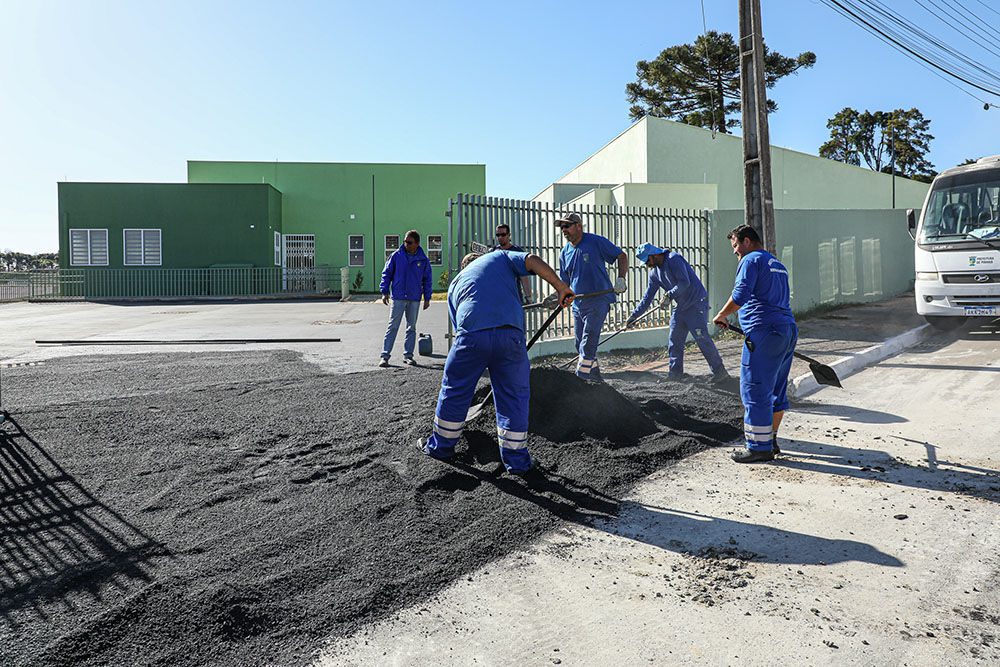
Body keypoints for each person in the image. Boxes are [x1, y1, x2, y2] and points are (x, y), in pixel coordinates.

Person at [418, 250, 574, 474]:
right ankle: (518, 462)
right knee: (513, 395)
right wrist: (560, 287)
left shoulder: (456, 283)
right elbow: (531, 260)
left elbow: (460, 325)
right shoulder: (500, 257)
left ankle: (441, 447)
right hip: (510, 335)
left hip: (471, 336)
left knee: (456, 389)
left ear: (465, 267)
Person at [712, 225, 798, 463]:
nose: (735, 252)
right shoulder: (777, 264)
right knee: (776, 390)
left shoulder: (750, 260)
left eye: (736, 246)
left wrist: (722, 314)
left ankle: (758, 448)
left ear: (747, 241)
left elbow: (740, 294)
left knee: (755, 389)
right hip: (787, 330)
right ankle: (771, 441)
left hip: (765, 332)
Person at [627, 242, 728, 383]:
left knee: (702, 339)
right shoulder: (655, 274)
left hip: (695, 304)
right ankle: (675, 374)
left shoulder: (674, 259)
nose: (647, 264)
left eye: (647, 260)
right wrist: (635, 316)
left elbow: (684, 282)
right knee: (674, 341)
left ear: (654, 255)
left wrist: (669, 295)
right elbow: (648, 297)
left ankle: (720, 372)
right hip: (681, 307)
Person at [556, 212, 628, 382]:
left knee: (588, 342)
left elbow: (621, 256)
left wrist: (621, 279)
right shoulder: (565, 252)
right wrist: (555, 296)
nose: (563, 230)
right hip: (578, 304)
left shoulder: (595, 241)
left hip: (598, 301)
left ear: (578, 226)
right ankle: (595, 378)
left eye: (567, 225)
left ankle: (580, 380)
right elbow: (564, 282)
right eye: (562, 227)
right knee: (579, 343)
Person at [378, 230, 432, 367]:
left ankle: (408, 355)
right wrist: (384, 292)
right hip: (398, 297)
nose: (406, 244)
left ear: (417, 243)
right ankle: (385, 356)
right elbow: (387, 274)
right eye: (405, 242)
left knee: (411, 327)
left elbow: (427, 279)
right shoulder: (396, 256)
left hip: (414, 298)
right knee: (393, 326)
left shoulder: (423, 259)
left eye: (409, 242)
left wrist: (427, 298)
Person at [491, 224, 532, 303]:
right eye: (497, 235)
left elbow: (523, 275)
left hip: (514, 294)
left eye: (503, 235)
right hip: (496, 295)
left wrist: (528, 295)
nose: (500, 237)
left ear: (509, 235)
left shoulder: (517, 251)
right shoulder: (492, 251)